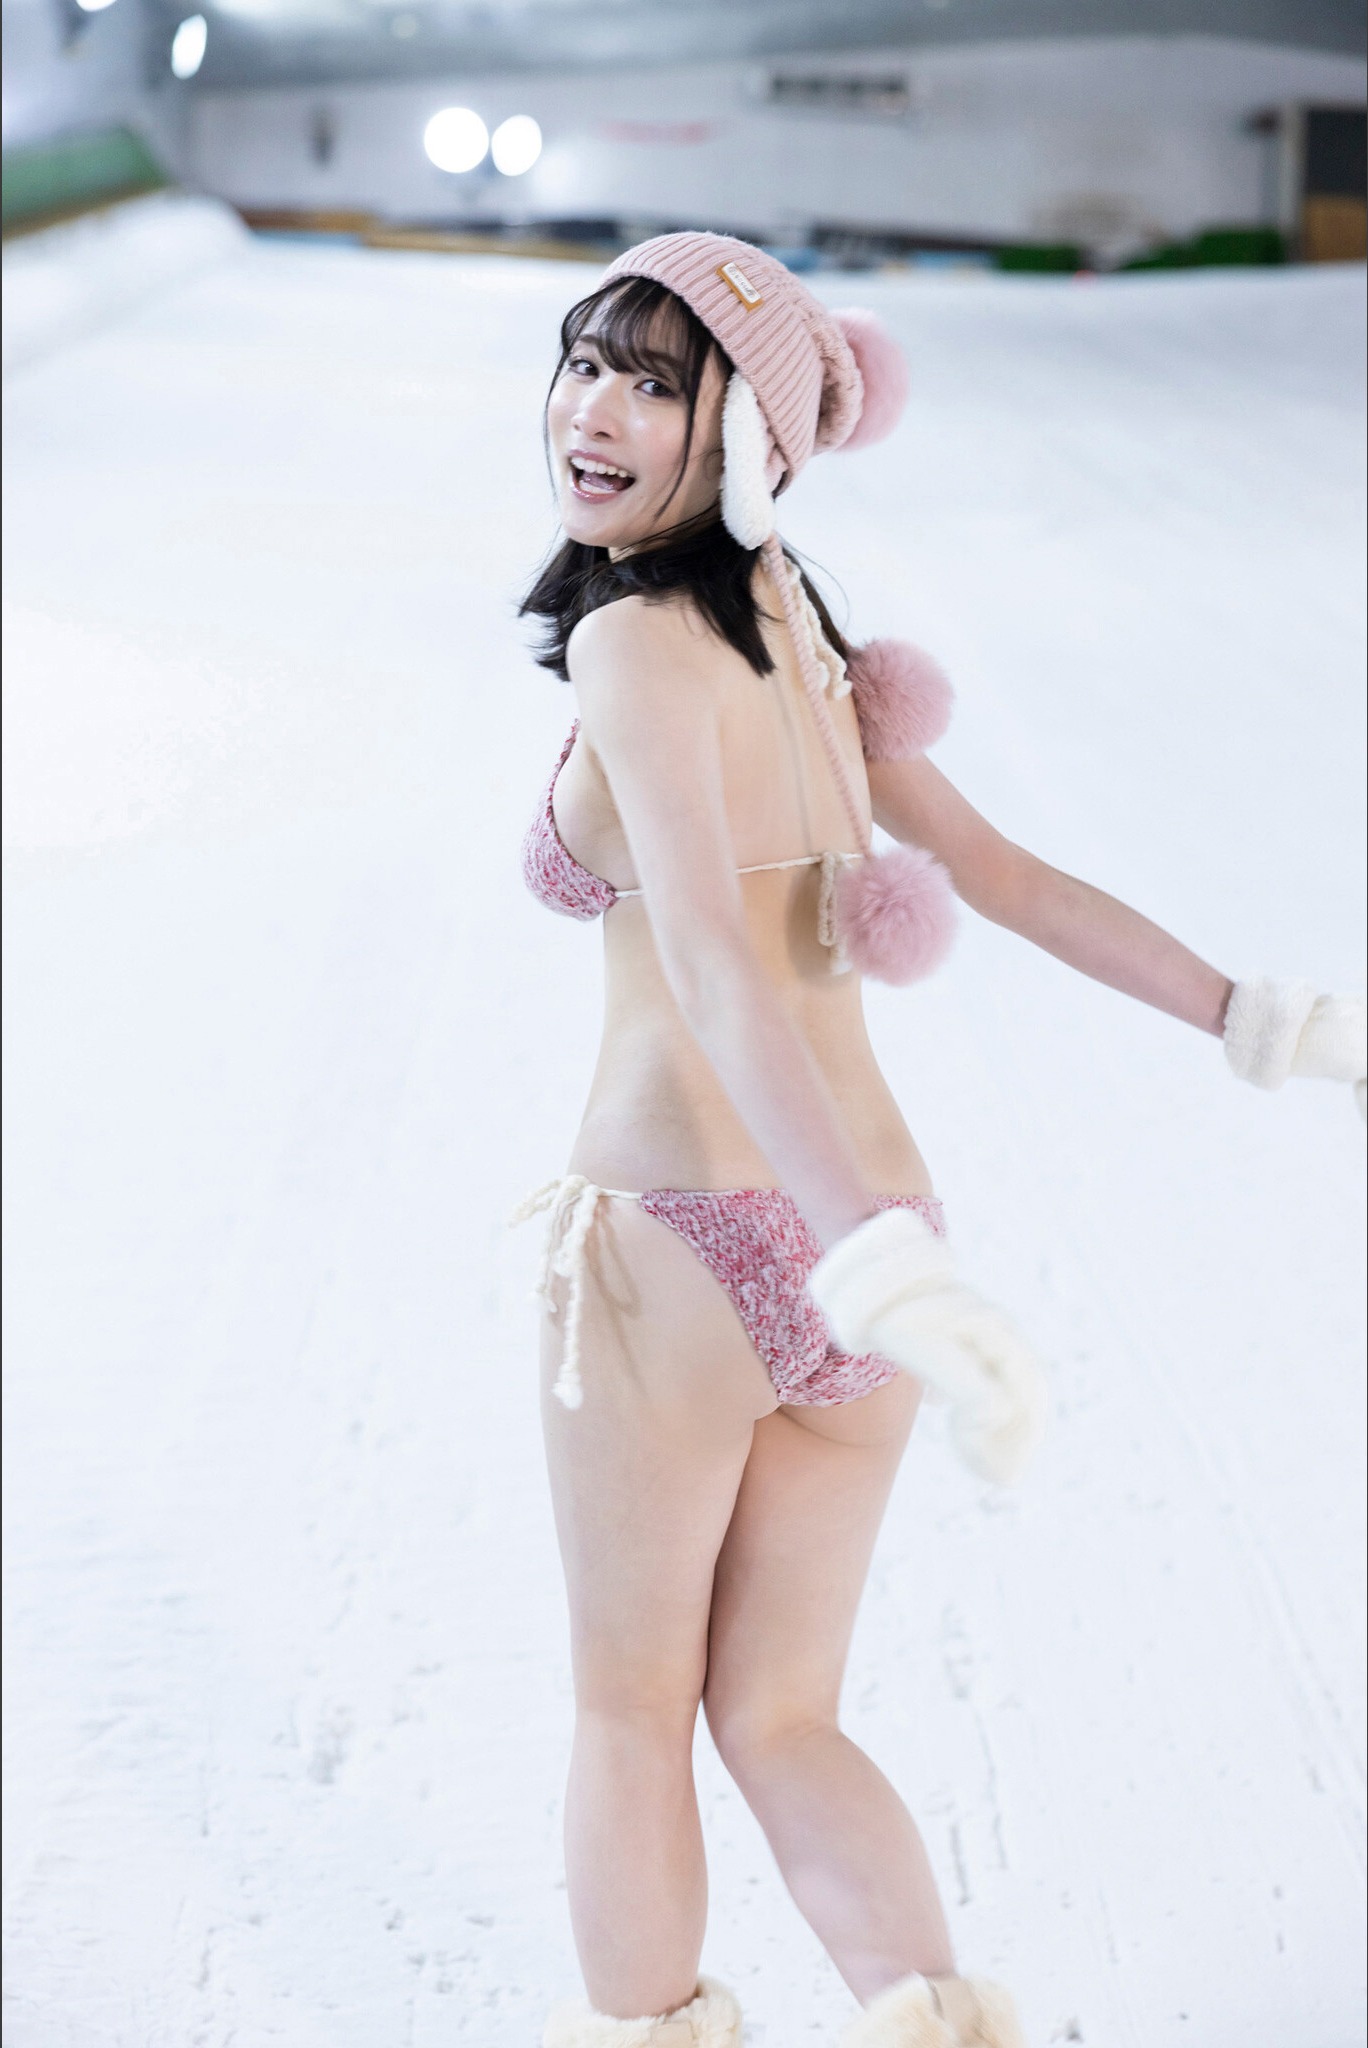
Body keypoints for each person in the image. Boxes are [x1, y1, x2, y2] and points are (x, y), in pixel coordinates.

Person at [512, 232, 1366, 2048]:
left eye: (656, 383)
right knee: (783, 1716)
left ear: (749, 436)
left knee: (628, 1712)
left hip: (698, 1242)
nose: (595, 410)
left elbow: (718, 972)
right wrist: (1262, 1018)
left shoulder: (633, 644)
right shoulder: (805, 633)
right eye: (586, 361)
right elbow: (1007, 879)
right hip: (868, 1241)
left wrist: (866, 1260)